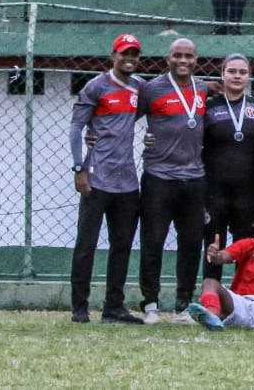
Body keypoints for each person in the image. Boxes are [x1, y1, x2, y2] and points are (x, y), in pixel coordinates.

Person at [69, 33, 146, 324]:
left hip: (127, 181)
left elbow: (146, 112)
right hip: (96, 178)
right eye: (124, 53)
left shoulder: (141, 88)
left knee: (122, 244)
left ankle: (113, 307)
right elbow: (76, 128)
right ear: (113, 56)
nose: (129, 59)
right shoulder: (96, 87)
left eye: (134, 54)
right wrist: (79, 169)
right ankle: (79, 307)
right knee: (86, 244)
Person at [136, 37, 209, 325]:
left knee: (191, 243)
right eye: (177, 55)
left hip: (194, 178)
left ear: (196, 59)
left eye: (188, 56)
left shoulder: (203, 88)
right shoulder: (151, 89)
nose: (183, 61)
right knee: (152, 240)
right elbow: (124, 118)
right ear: (167, 59)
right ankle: (150, 304)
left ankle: (183, 305)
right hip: (159, 176)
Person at [200, 53, 254, 284]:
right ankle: (211, 299)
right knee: (213, 246)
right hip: (214, 192)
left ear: (249, 76)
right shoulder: (208, 107)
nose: (237, 76)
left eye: (242, 72)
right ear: (222, 74)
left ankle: (244, 298)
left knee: (246, 246)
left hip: (250, 193)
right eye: (232, 71)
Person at [186, 205, 254, 332]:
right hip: (240, 303)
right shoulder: (251, 244)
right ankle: (212, 317)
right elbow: (224, 256)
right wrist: (216, 255)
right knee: (209, 282)